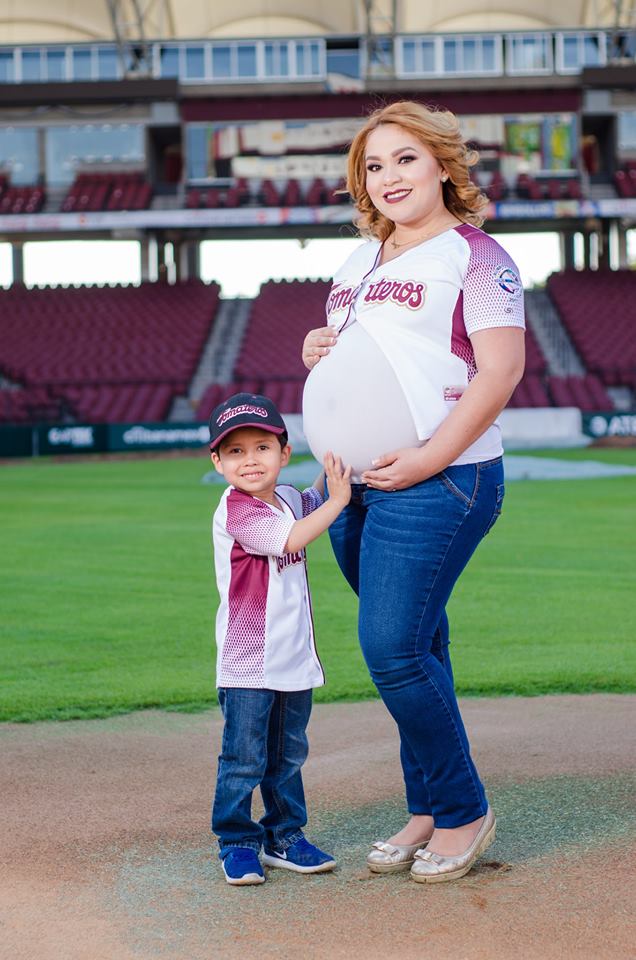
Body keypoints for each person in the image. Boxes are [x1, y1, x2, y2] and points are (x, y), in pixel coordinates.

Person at [301, 101, 525, 883]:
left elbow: (499, 373)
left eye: (404, 159)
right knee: (419, 647)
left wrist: (430, 458)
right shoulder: (354, 265)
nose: (387, 177)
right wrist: (315, 348)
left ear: (440, 165)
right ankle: (426, 806)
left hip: (441, 481)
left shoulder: (476, 256)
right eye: (373, 165)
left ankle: (463, 810)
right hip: (349, 488)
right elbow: (359, 358)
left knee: (391, 649)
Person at [208, 392, 352, 885]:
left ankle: (284, 835)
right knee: (244, 757)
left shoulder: (288, 497)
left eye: (262, 447)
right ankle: (237, 841)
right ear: (218, 461)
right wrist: (338, 500)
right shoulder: (236, 510)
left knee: (288, 756)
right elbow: (292, 537)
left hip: (292, 656)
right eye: (235, 451)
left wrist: (336, 460)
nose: (250, 460)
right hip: (248, 662)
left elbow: (309, 502)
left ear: (284, 452)